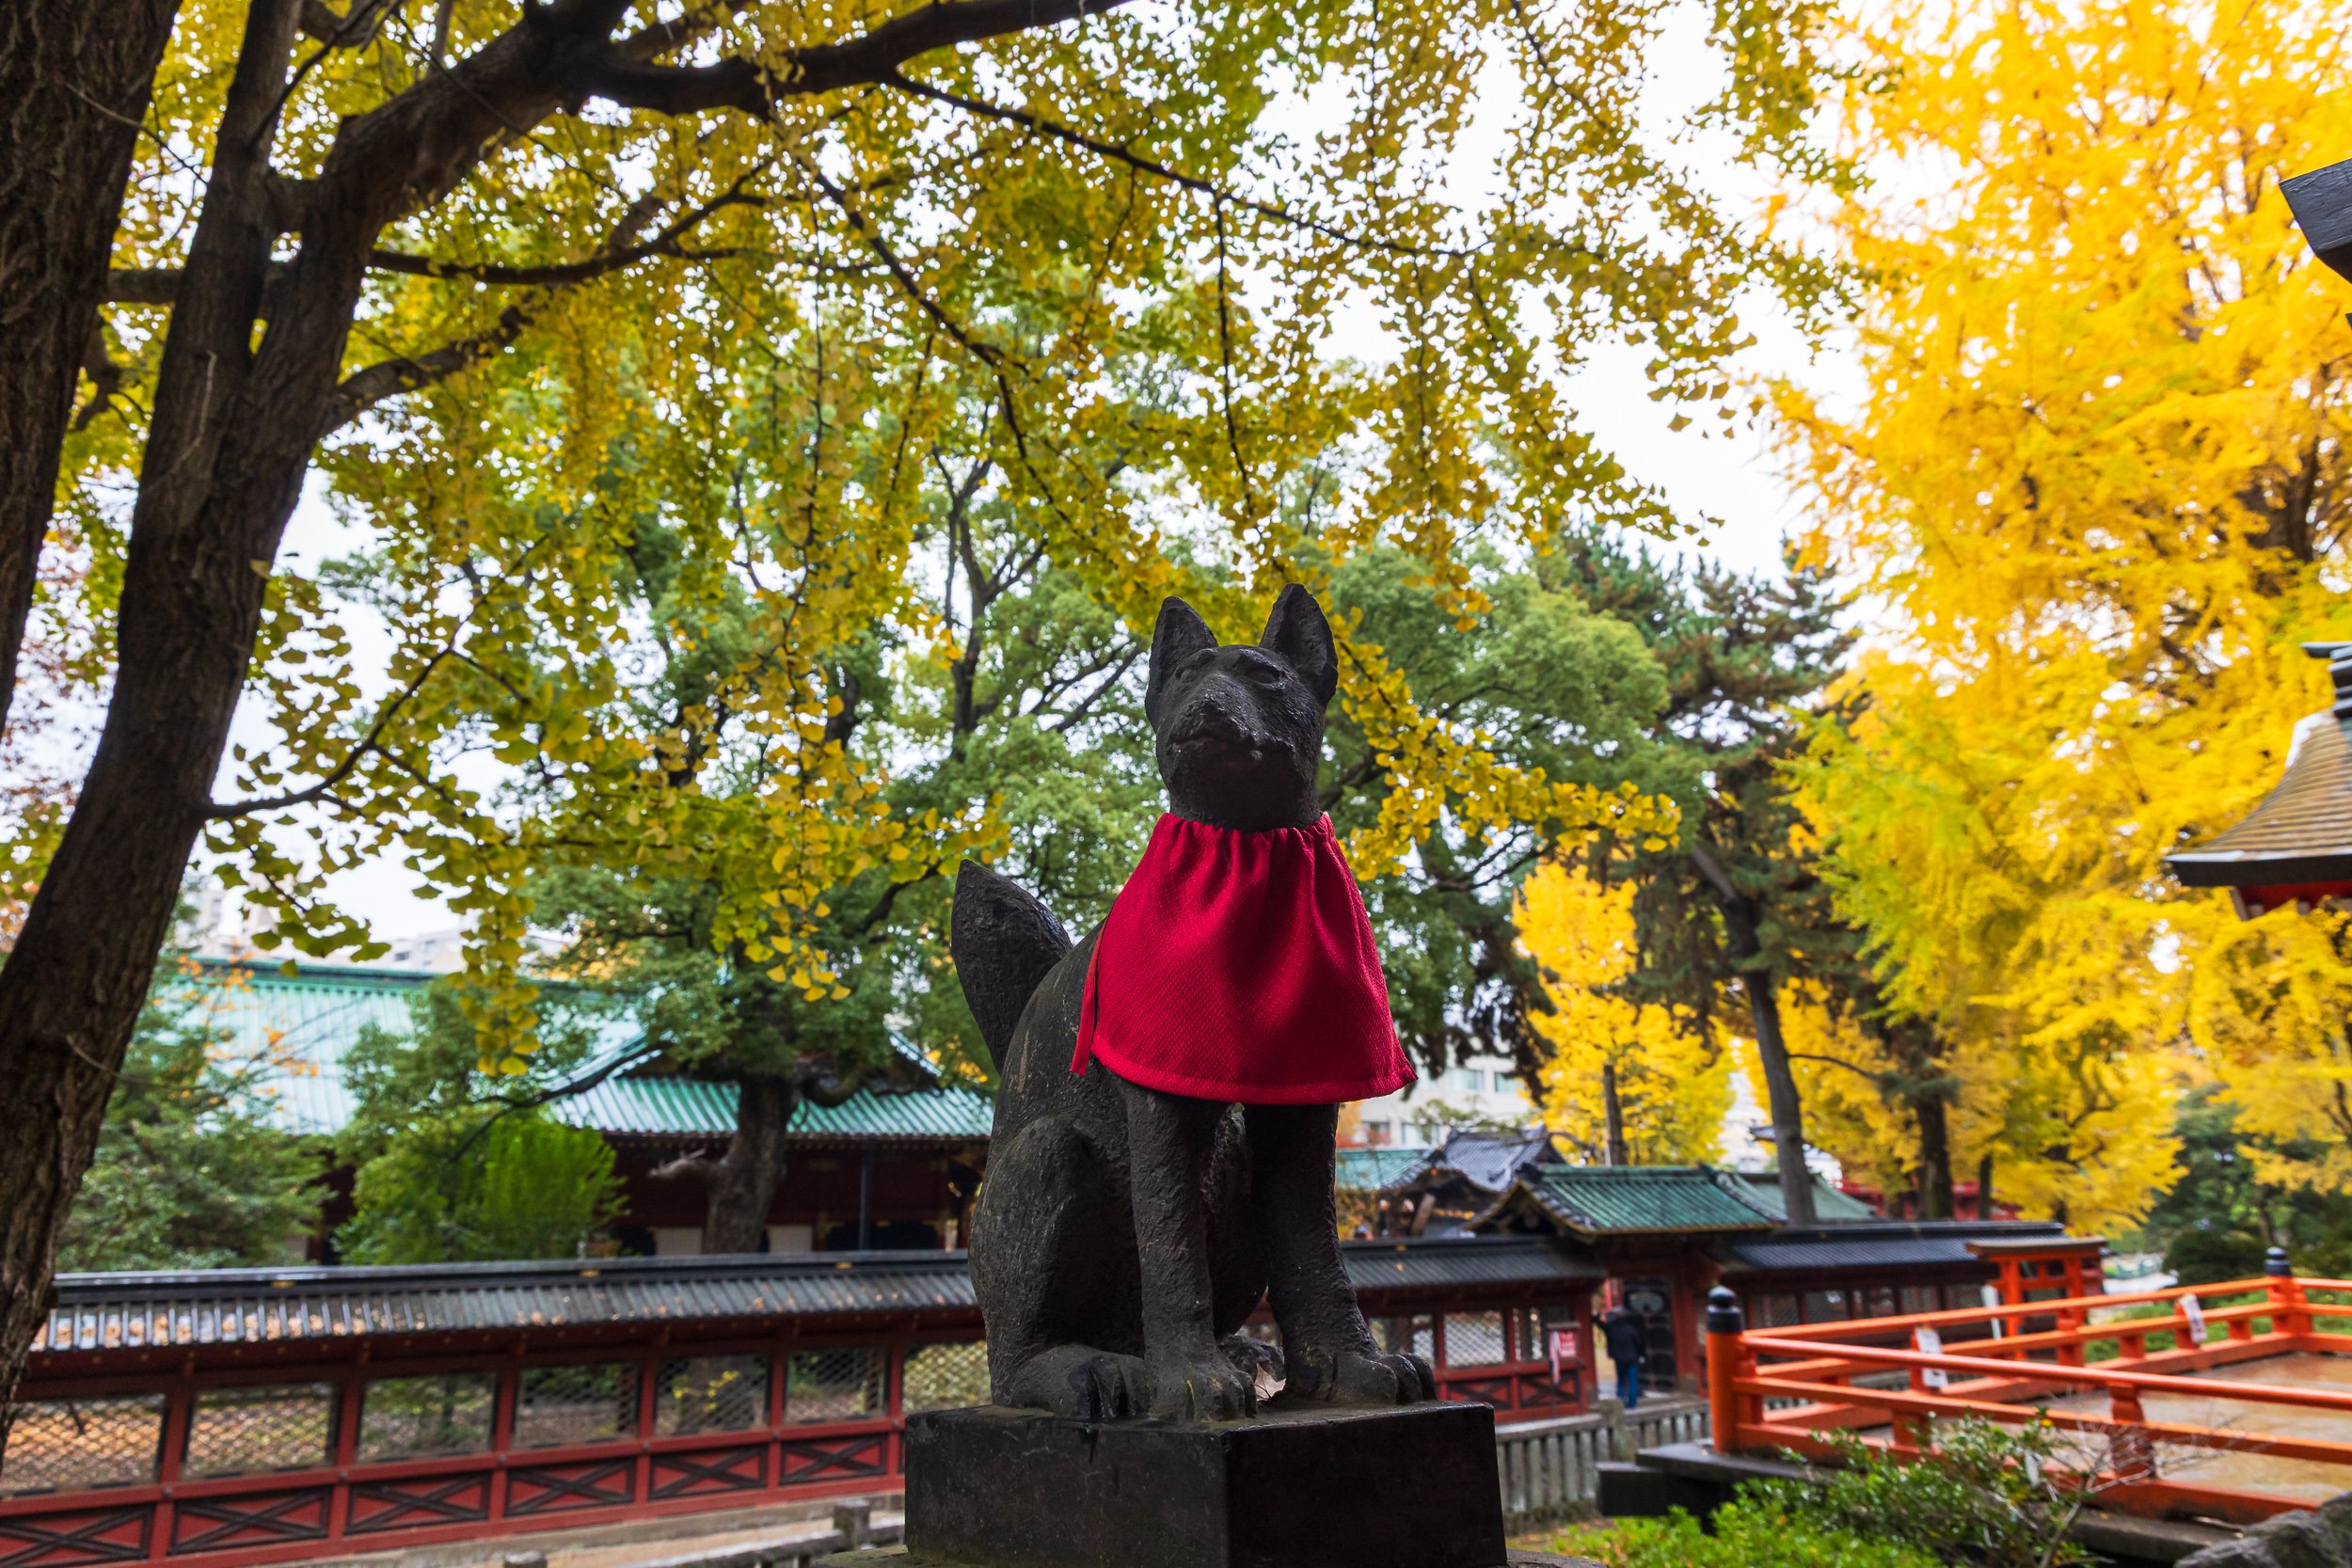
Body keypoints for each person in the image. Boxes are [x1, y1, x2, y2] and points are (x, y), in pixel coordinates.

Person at [1598, 1301, 1649, 1410]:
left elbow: (1599, 1322)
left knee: (1620, 1381)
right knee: (1632, 1381)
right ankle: (1632, 1404)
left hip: (1619, 1358)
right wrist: (1642, 1354)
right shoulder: (1631, 1329)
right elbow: (1640, 1343)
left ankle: (1620, 1402)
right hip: (1632, 1358)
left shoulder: (1611, 1328)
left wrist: (1600, 1314)